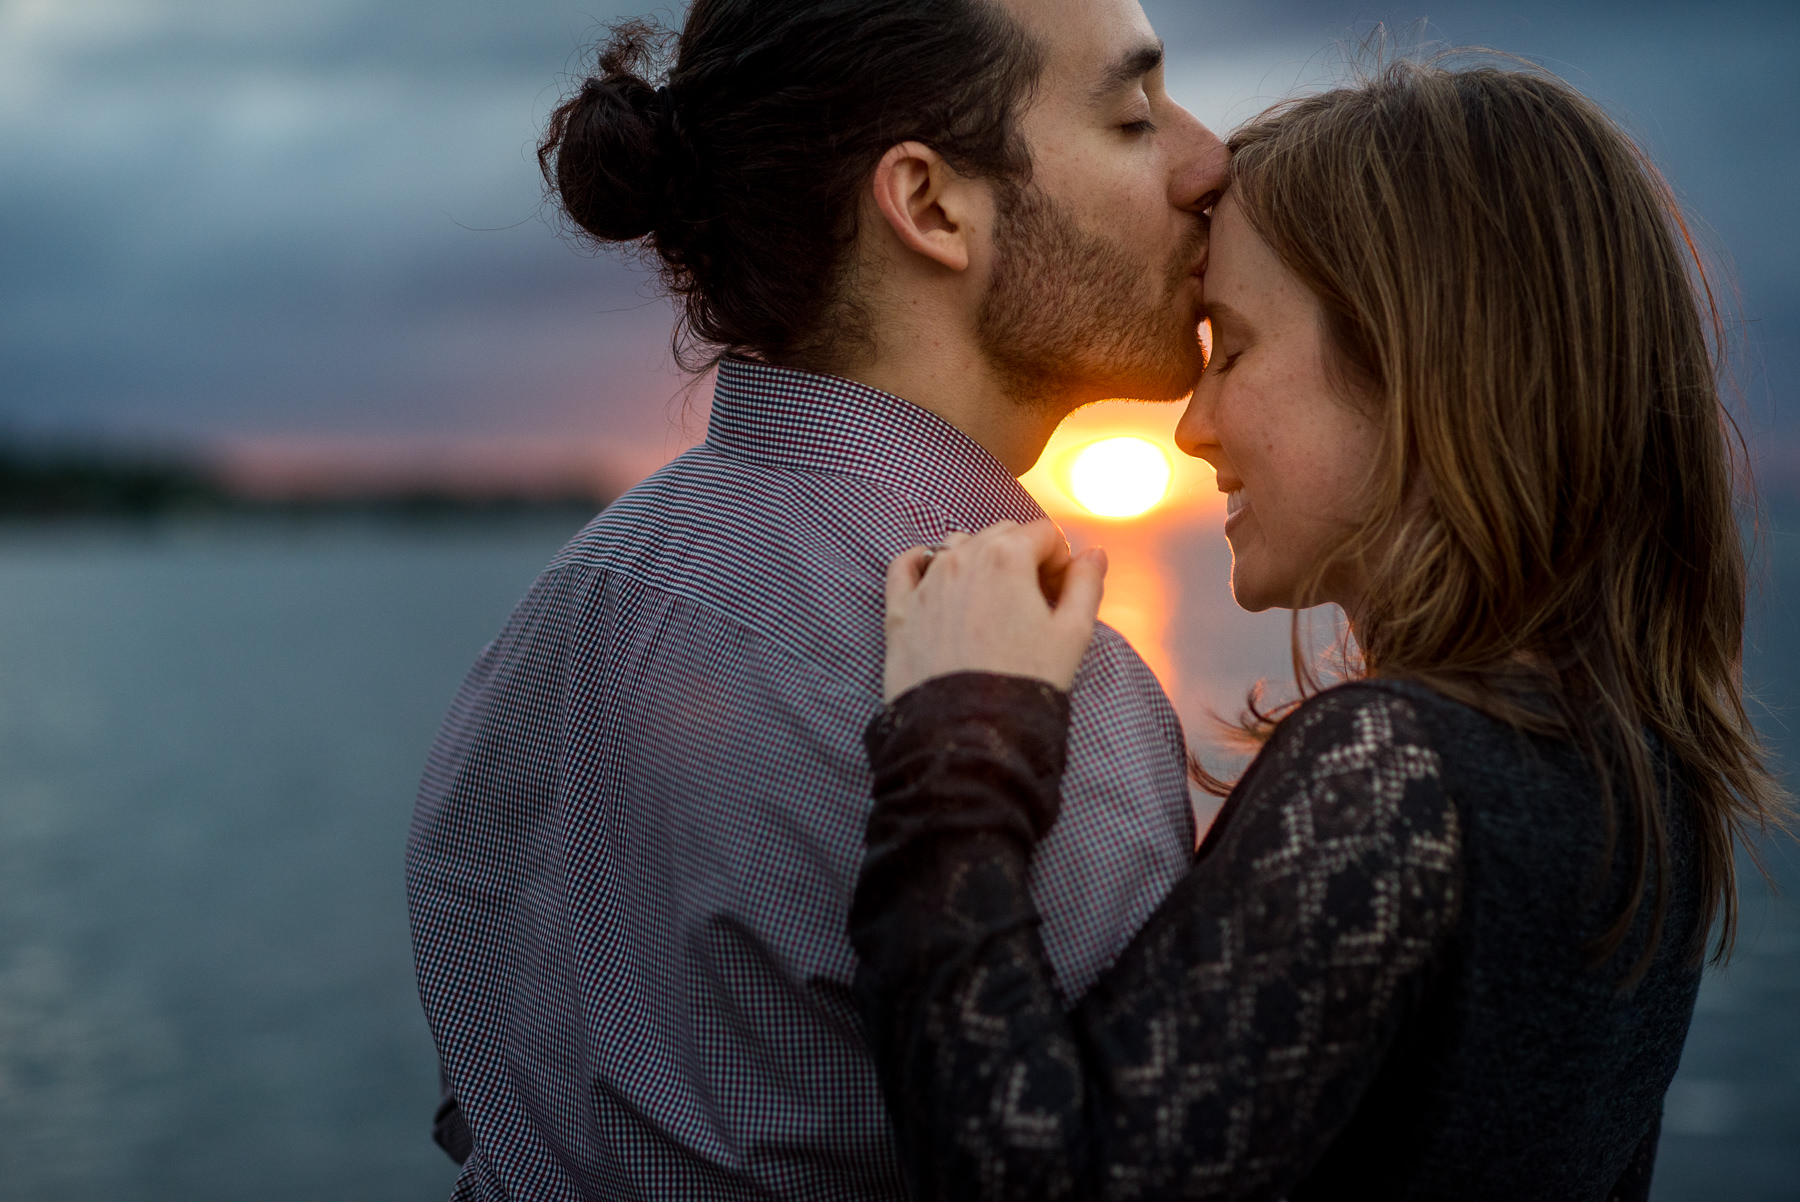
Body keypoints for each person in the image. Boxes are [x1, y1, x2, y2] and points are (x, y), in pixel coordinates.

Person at [850, 59, 1789, 1200]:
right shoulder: (1645, 765)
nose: (1192, 425)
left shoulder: (1401, 772)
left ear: (1424, 364)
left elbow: (1041, 1174)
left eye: (1232, 346)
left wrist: (959, 743)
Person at [405, 0, 1230, 1197]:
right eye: (1134, 116)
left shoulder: (571, 608)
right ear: (931, 204)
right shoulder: (1048, 699)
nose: (1210, 162)